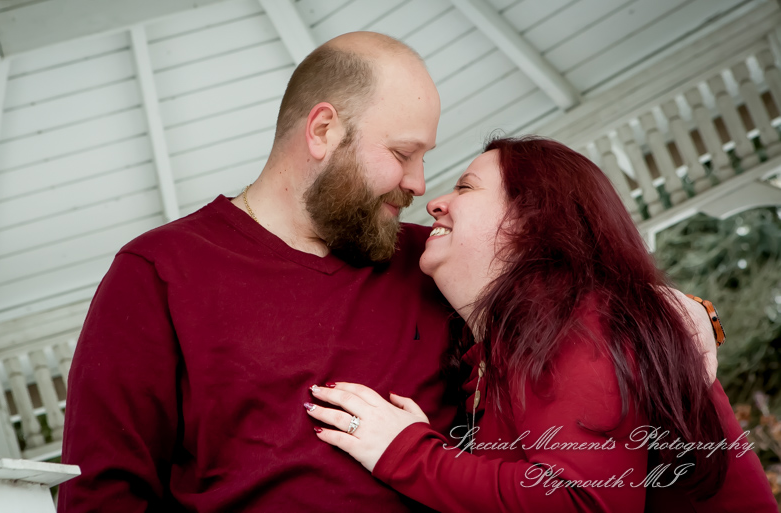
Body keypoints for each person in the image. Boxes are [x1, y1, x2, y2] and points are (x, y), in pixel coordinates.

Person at [58, 33, 720, 511]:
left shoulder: (436, 260)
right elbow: (104, 493)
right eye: (403, 153)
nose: (418, 183)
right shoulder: (157, 273)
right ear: (322, 130)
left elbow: (575, 293)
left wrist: (682, 311)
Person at [305, 137, 777, 511]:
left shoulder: (586, 322)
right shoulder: (501, 350)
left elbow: (581, 501)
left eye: (465, 187)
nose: (435, 202)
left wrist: (404, 452)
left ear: (531, 220)